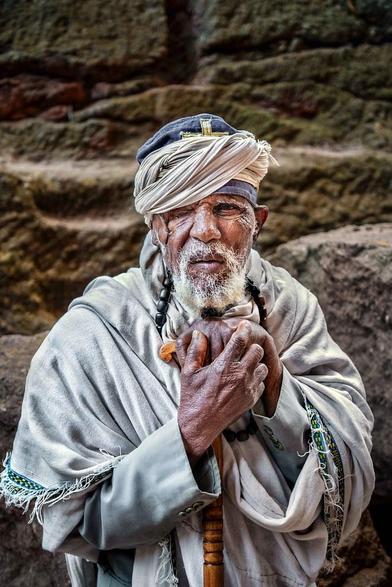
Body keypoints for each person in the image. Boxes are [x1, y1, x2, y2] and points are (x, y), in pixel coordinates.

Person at [0, 114, 374, 587]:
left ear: (257, 223)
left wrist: (274, 384)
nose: (206, 231)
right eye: (181, 211)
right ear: (157, 227)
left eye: (226, 208)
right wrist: (193, 430)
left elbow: (351, 472)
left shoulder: (291, 309)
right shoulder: (93, 333)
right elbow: (71, 523)